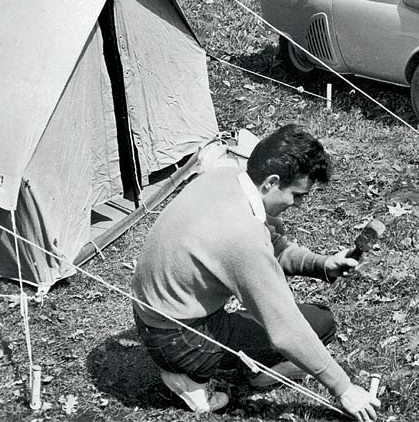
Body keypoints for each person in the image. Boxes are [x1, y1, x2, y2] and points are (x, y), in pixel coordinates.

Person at [130, 124, 380, 419]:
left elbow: (272, 244)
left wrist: (321, 264)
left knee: (304, 320)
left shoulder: (225, 177)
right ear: (271, 183)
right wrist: (344, 388)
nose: (299, 205)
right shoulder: (241, 236)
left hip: (153, 318)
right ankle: (195, 377)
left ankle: (185, 366)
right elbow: (285, 330)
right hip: (181, 340)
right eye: (297, 195)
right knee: (320, 322)